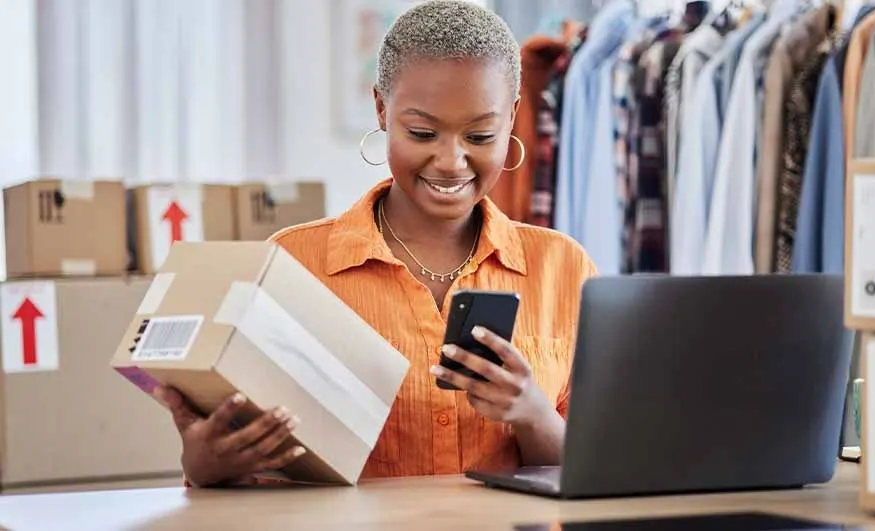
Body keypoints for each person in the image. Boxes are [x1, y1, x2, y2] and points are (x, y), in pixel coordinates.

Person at [154, 0, 597, 488]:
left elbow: (600, 471)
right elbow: (253, 473)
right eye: (422, 132)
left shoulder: (563, 267)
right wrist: (205, 466)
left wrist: (533, 414)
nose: (451, 160)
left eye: (480, 134)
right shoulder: (293, 265)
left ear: (513, 117)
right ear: (382, 109)